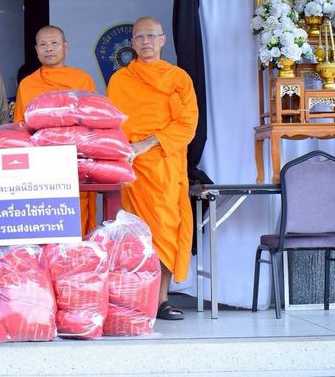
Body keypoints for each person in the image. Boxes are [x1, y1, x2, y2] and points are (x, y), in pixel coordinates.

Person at [107, 16, 198, 321]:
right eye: (139, 37)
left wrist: (148, 143)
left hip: (165, 163)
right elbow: (113, 124)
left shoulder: (179, 78)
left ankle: (161, 300)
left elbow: (188, 125)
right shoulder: (121, 79)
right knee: (133, 235)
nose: (145, 42)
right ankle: (134, 298)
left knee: (165, 230)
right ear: (131, 44)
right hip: (132, 168)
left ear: (162, 40)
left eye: (151, 36)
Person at [13, 25, 98, 235]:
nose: (48, 48)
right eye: (43, 44)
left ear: (65, 47)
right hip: (41, 163)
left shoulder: (82, 79)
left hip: (76, 159)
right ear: (36, 49)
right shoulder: (27, 84)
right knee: (45, 216)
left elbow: (94, 121)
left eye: (54, 43)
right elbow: (20, 127)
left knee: (78, 217)